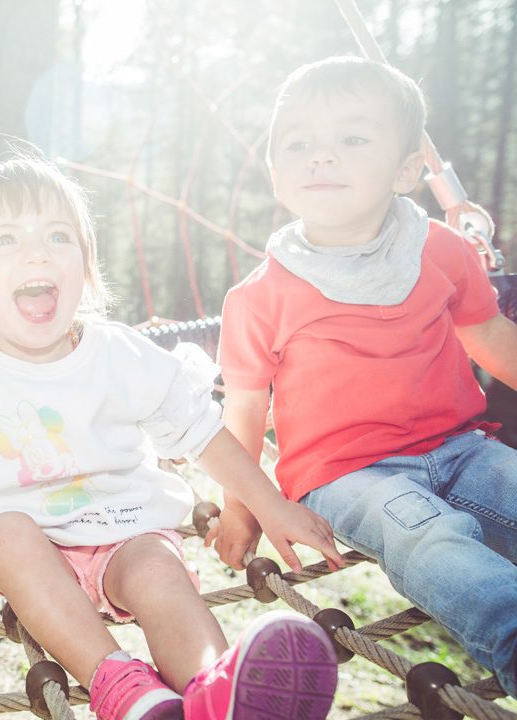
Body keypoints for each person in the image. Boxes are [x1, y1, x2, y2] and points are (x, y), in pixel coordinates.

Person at [0, 155, 344, 720]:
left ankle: (215, 693)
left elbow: (202, 432)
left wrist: (269, 505)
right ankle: (126, 691)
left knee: (160, 577)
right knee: (5, 534)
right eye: (6, 240)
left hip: (127, 532)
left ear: (85, 271)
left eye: (58, 236)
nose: (36, 253)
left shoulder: (118, 354)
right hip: (30, 555)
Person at [215, 56, 517, 697]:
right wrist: (241, 507)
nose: (321, 157)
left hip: (462, 447)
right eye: (299, 144)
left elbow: (489, 338)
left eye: (352, 139)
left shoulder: (441, 250)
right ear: (276, 173)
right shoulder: (259, 297)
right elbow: (242, 413)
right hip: (348, 475)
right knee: (428, 536)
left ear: (408, 169)